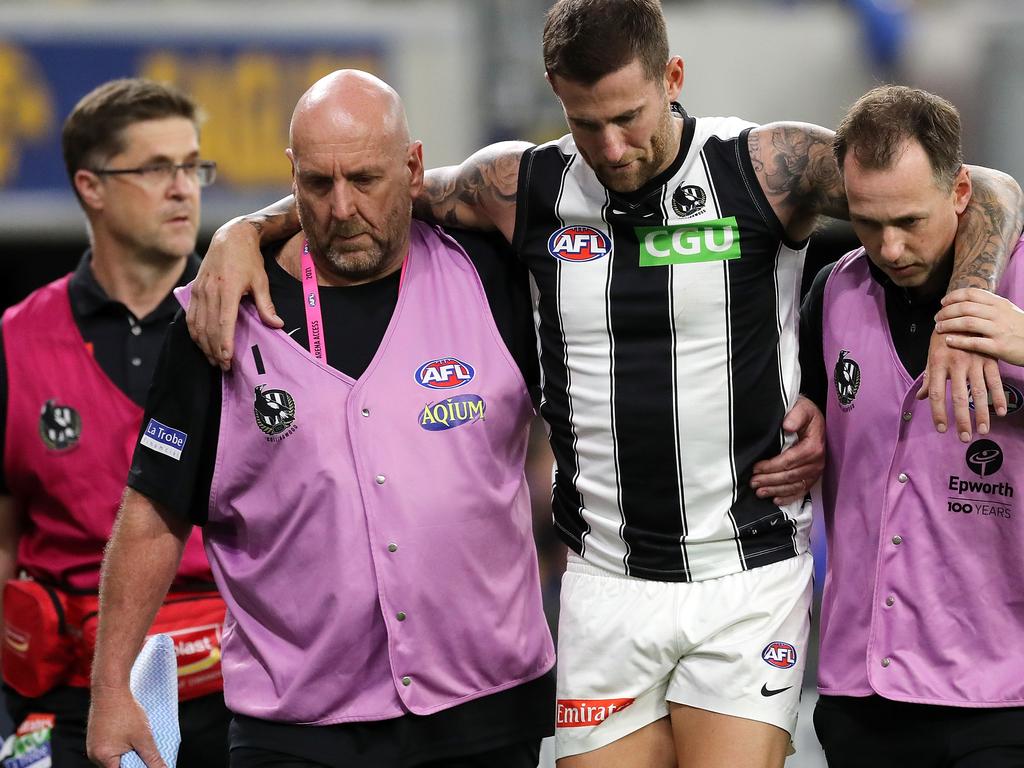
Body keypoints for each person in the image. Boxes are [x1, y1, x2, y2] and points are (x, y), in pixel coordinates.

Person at [183, 2, 1024, 766]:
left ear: (674, 78)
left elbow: (982, 185)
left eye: (631, 117)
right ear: (556, 97)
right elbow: (372, 193)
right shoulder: (525, 187)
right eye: (589, 125)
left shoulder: (764, 169)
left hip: (747, 574)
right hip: (604, 581)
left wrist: (971, 299)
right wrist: (247, 232)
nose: (614, 148)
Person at [85, 70, 556, 768]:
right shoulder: (219, 313)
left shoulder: (489, 272)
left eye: (366, 179)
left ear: (414, 167)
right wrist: (110, 687)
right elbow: (155, 509)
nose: (342, 207)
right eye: (318, 184)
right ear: (293, 177)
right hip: (295, 727)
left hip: (484, 713)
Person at [0, 80, 231, 766]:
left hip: (234, 697)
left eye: (193, 166)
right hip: (66, 697)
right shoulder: (15, 343)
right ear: (91, 187)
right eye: (157, 168)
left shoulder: (250, 329)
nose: (183, 188)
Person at [800, 85, 1024, 768]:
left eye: (909, 220)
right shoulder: (833, 293)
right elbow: (812, 418)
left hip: (1000, 699)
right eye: (868, 223)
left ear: (960, 191)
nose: (890, 247)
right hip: (860, 698)